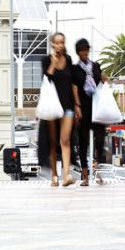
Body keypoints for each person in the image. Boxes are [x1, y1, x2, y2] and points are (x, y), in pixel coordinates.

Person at [41, 32, 76, 187]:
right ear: (52, 44)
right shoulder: (46, 60)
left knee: (65, 140)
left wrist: (77, 105)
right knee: (53, 142)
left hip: (68, 106)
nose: (60, 45)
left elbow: (72, 82)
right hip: (52, 107)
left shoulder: (68, 60)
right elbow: (46, 79)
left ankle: (66, 175)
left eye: (62, 42)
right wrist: (53, 64)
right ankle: (54, 175)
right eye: (57, 42)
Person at [71, 38, 104, 186]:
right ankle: (85, 176)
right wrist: (77, 106)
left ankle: (99, 173)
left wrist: (106, 79)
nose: (85, 52)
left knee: (100, 140)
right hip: (83, 108)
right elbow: (74, 88)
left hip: (96, 107)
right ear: (78, 52)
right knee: (83, 143)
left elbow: (103, 81)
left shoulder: (96, 66)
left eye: (86, 49)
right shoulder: (75, 69)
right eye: (82, 50)